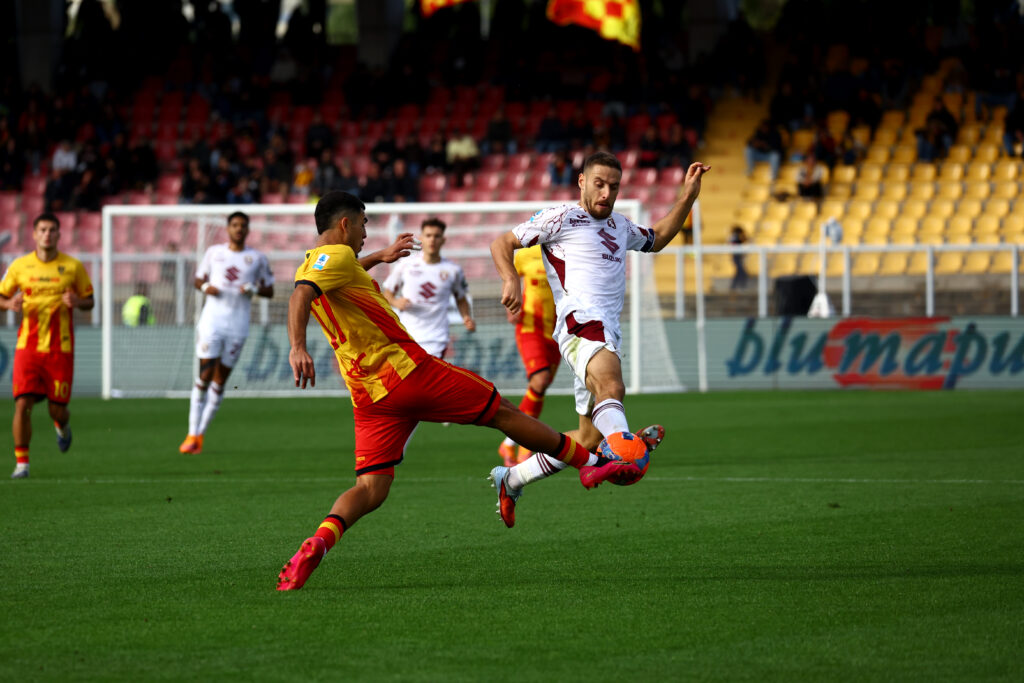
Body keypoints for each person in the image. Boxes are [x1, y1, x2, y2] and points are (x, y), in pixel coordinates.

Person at [276, 191, 644, 590]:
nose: (366, 233)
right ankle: (589, 463)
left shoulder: (322, 263)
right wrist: (298, 346)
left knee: (372, 487)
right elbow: (301, 295)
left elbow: (327, 278)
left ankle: (318, 542)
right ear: (345, 224)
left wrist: (378, 257)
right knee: (503, 412)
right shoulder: (335, 258)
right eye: (363, 224)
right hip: (407, 373)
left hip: (369, 399)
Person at [488, 153, 710, 523]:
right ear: (582, 182)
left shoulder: (621, 226)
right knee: (612, 386)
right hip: (581, 323)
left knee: (587, 439)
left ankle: (513, 477)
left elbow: (657, 239)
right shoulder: (562, 217)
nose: (606, 193)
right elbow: (502, 243)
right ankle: (624, 446)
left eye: (614, 187)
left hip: (606, 331)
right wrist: (510, 278)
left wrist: (687, 197)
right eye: (599, 184)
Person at [0, 213, 94, 479]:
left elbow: (90, 301)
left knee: (57, 408)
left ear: (59, 234)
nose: (47, 234)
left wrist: (77, 301)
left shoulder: (73, 267)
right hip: (27, 348)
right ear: (34, 233)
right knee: (22, 404)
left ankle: (62, 425)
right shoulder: (19, 266)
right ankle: (22, 464)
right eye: (42, 229)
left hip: (60, 348)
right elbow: (1, 296)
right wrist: (9, 304)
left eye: (52, 230)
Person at [179, 211, 274, 455]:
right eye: (234, 225)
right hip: (212, 323)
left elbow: (270, 290)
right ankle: (191, 433)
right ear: (228, 228)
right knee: (205, 374)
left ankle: (199, 435)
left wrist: (254, 288)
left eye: (243, 225)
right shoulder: (214, 253)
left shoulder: (257, 258)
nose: (239, 229)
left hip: (239, 326)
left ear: (248, 229)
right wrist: (206, 286)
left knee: (220, 381)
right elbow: (197, 279)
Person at [496, 244, 561, 467]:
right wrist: (509, 300)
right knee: (540, 380)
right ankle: (523, 442)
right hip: (529, 327)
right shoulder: (526, 254)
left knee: (539, 388)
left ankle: (510, 444)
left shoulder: (568, 252)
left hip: (557, 332)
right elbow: (508, 275)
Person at [381, 217, 475, 359]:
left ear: (443, 240)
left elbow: (461, 298)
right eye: (428, 235)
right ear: (421, 238)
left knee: (429, 379)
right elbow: (387, 294)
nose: (432, 240)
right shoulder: (405, 265)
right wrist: (396, 302)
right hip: (408, 335)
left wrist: (466, 317)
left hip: (436, 338)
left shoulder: (453, 270)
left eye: (437, 236)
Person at [729, 225, 749, 291]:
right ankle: (741, 287)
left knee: (739, 272)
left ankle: (734, 287)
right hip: (736, 256)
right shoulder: (734, 237)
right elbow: (737, 244)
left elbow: (743, 241)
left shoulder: (734, 237)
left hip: (737, 256)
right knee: (741, 272)